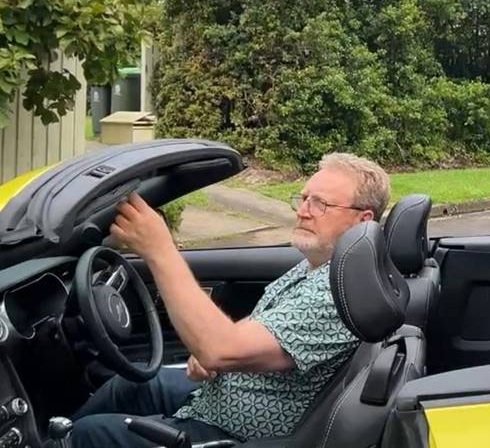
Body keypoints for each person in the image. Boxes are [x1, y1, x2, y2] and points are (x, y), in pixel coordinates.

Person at [70, 153, 391, 448]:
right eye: (304, 198)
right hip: (225, 392)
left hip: (235, 433)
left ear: (362, 220)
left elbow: (219, 350)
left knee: (90, 434)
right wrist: (214, 349)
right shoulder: (321, 265)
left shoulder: (338, 292)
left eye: (320, 204)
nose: (302, 211)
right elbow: (260, 326)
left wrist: (159, 249)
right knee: (129, 385)